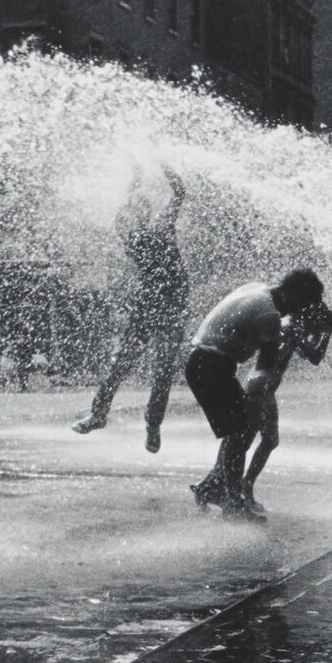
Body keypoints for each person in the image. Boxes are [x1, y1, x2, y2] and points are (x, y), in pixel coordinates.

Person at [185, 268, 327, 517]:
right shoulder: (269, 315)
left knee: (236, 434)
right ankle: (232, 501)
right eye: (301, 306)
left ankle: (217, 490)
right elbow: (265, 369)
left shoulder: (257, 288)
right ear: (293, 296)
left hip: (204, 362)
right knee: (239, 435)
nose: (298, 313)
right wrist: (257, 401)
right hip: (211, 366)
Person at [73, 167, 188, 453]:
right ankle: (98, 415)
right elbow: (131, 201)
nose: (132, 213)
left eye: (137, 209)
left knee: (163, 371)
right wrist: (136, 175)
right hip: (147, 306)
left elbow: (179, 192)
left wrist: (159, 163)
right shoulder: (129, 234)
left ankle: (152, 426)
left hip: (172, 307)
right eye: (131, 209)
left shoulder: (161, 225)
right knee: (120, 364)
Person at [240, 298, 332, 511]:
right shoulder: (291, 329)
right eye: (317, 326)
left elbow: (309, 353)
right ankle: (226, 487)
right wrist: (327, 332)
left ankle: (238, 484)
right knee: (244, 443)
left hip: (263, 391)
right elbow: (314, 356)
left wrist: (317, 334)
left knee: (266, 441)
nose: (316, 330)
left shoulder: (292, 328)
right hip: (259, 391)